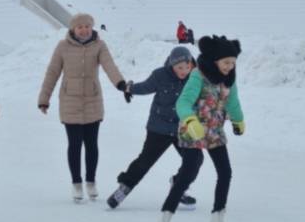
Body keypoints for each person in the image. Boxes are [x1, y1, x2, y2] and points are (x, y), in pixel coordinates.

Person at [152, 35, 245, 222]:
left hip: (214, 131)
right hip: (192, 129)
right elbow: (183, 103)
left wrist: (239, 120)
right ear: (215, 60)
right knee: (186, 175)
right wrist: (191, 120)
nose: (230, 67)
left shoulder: (229, 78)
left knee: (225, 172)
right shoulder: (198, 75)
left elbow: (233, 102)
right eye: (226, 62)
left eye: (233, 63)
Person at [38, 13, 126, 203]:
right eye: (80, 27)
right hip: (70, 101)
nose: (84, 29)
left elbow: (109, 66)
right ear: (73, 29)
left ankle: (91, 181)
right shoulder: (63, 47)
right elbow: (52, 72)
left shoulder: (99, 46)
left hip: (93, 102)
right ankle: (76, 183)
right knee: (75, 144)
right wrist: (44, 99)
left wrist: (121, 84)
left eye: (87, 26)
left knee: (92, 144)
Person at [107, 47, 204, 210]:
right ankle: (123, 189)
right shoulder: (160, 75)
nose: (184, 71)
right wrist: (129, 88)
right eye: (180, 67)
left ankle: (178, 187)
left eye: (187, 67)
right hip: (159, 127)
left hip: (183, 128)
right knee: (145, 161)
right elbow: (145, 87)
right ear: (171, 65)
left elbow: (206, 97)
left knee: (195, 160)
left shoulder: (194, 78)